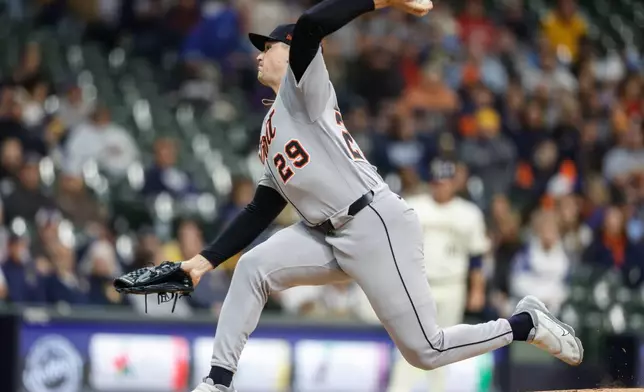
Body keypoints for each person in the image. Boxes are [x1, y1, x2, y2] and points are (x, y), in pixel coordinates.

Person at [169, 0, 583, 390]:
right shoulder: (270, 128)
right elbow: (263, 206)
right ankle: (217, 382)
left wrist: (384, 1)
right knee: (252, 267)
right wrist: (203, 262)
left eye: (268, 45)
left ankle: (524, 324)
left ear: (291, 50)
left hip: (372, 222)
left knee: (426, 350)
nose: (259, 54)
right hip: (324, 233)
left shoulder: (303, 88)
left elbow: (312, 24)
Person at [388, 158, 490, 392]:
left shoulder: (469, 213)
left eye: (445, 182)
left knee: (444, 346)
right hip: (418, 284)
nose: (440, 187)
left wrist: (477, 289)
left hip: (453, 285)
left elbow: (477, 257)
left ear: (454, 183)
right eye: (436, 182)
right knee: (410, 343)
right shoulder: (413, 206)